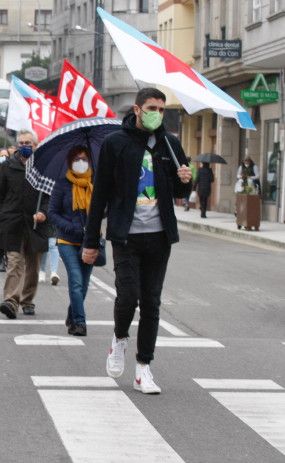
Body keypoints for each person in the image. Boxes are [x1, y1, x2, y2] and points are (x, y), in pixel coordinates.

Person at [82, 88, 192, 394]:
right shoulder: (116, 143)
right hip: (127, 235)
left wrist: (186, 180)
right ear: (137, 109)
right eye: (152, 107)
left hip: (160, 237)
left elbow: (180, 193)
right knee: (128, 296)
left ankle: (144, 368)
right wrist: (92, 240)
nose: (158, 112)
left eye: (162, 108)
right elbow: (100, 193)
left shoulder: (170, 143)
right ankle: (119, 339)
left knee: (152, 303)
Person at [0, 130, 52, 318]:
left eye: (28, 142)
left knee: (33, 266)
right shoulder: (8, 165)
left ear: (35, 145)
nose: (24, 146)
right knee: (14, 263)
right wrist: (1, 215)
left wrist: (44, 212)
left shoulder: (44, 166)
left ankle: (28, 300)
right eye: (21, 143)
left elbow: (51, 195)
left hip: (36, 224)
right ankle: (10, 301)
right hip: (13, 222)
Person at [48, 145, 96, 337]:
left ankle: (71, 315)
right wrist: (72, 227)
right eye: (77, 159)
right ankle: (79, 323)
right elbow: (52, 213)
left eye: (84, 159)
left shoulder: (95, 184)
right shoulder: (61, 184)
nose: (81, 163)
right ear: (70, 162)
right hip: (67, 240)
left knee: (83, 286)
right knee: (75, 281)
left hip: (90, 242)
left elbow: (104, 209)